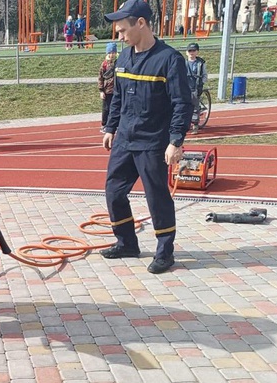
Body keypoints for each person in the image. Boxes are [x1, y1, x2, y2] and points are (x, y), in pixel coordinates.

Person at [101, 0, 193, 274]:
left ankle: (165, 252)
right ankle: (127, 242)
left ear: (141, 24)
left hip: (153, 143)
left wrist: (175, 140)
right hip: (125, 140)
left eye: (122, 30)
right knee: (114, 192)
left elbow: (182, 103)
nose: (120, 36)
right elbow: (117, 97)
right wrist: (110, 128)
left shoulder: (169, 59)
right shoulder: (125, 57)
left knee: (157, 198)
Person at [185, 42, 207, 135]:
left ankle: (195, 125)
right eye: (190, 50)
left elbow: (204, 75)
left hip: (195, 87)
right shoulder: (182, 62)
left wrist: (202, 82)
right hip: (185, 87)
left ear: (197, 52)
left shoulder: (200, 63)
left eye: (193, 50)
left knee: (194, 106)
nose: (191, 52)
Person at [98, 42, 117, 132]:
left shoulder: (119, 62)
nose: (112, 54)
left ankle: (115, 125)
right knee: (106, 109)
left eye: (114, 52)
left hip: (117, 90)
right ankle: (104, 124)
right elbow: (100, 78)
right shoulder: (104, 64)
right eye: (110, 52)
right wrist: (101, 91)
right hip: (107, 90)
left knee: (116, 108)